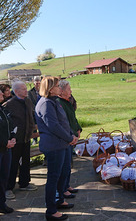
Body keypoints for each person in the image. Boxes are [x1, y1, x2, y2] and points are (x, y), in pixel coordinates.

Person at [35, 77, 78, 221]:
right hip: (54, 146)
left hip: (61, 144)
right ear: (50, 88)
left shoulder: (53, 101)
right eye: (58, 86)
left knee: (60, 175)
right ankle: (51, 211)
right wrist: (69, 138)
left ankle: (59, 201)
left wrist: (71, 135)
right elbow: (53, 126)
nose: (60, 88)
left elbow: (63, 122)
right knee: (53, 178)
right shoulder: (46, 103)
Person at [3, 81, 37, 200]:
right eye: (23, 89)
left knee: (25, 162)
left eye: (25, 88)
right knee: (13, 164)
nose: (26, 90)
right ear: (16, 91)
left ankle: (24, 183)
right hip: (15, 140)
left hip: (26, 137)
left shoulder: (27, 101)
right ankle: (8, 188)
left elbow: (31, 117)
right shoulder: (9, 104)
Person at [57, 80, 82, 199]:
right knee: (64, 165)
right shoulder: (59, 103)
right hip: (66, 138)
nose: (71, 91)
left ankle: (66, 186)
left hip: (71, 137)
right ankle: (62, 189)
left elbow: (73, 118)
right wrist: (72, 135)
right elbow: (63, 123)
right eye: (68, 89)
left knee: (68, 164)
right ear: (61, 91)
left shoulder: (67, 102)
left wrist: (78, 129)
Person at [0, 90, 16, 214]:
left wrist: (12, 137)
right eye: (0, 93)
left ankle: (2, 203)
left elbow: (10, 125)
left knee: (4, 176)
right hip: (2, 148)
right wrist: (5, 142)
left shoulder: (2, 109)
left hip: (6, 149)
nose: (2, 95)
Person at [28, 76, 41, 145]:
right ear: (34, 84)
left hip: (41, 112)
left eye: (39, 83)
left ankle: (42, 138)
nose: (38, 85)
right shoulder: (30, 92)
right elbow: (30, 102)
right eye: (36, 83)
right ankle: (35, 139)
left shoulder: (42, 91)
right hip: (33, 112)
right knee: (34, 126)